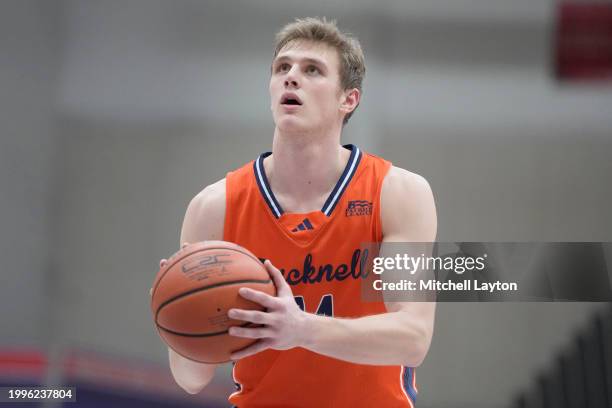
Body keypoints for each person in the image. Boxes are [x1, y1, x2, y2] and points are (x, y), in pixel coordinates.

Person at [161, 17, 437, 407]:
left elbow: (413, 338)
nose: (291, 78)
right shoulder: (214, 207)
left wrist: (301, 329)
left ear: (349, 99)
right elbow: (191, 379)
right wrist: (178, 312)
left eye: (312, 70)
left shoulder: (397, 193)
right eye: (282, 68)